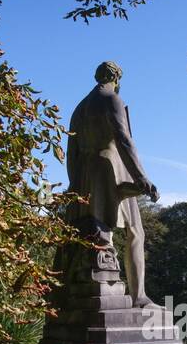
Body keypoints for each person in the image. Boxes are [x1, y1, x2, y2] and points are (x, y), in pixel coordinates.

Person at [66, 60, 160, 307]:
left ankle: (90, 289)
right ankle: (139, 296)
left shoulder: (79, 108)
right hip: (111, 168)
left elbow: (71, 152)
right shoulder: (112, 99)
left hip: (84, 173)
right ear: (117, 79)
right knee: (135, 231)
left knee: (95, 230)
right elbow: (123, 139)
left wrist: (74, 185)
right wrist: (141, 177)